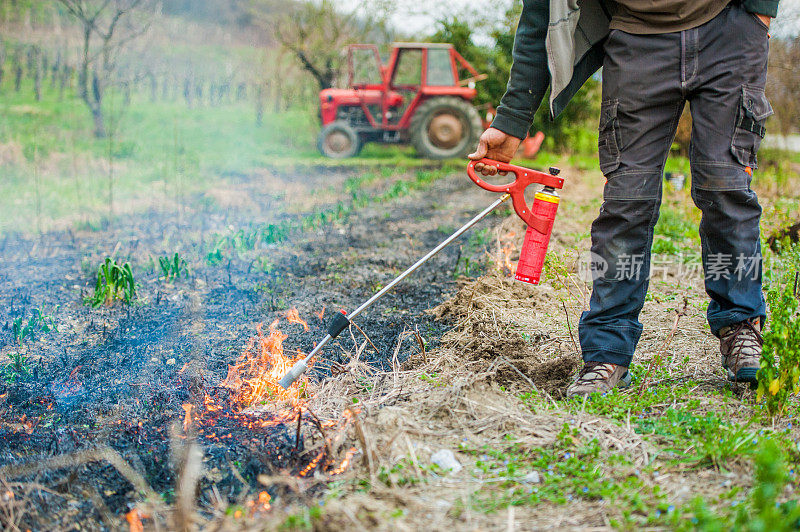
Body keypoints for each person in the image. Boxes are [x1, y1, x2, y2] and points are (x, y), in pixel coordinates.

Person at [468, 0, 779, 397]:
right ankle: (607, 351)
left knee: (727, 188)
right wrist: (511, 120)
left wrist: (759, 12)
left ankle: (742, 326)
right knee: (625, 202)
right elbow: (540, 15)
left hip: (729, 30)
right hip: (636, 39)